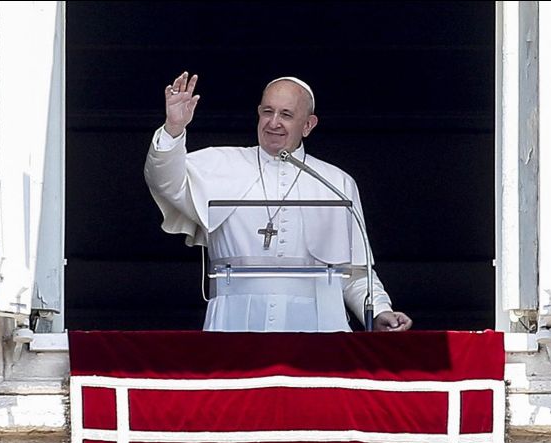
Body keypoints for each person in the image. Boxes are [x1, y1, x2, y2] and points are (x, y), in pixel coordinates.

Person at [144, 71, 412, 332]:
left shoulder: (337, 183)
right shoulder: (220, 163)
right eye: (267, 112)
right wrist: (174, 128)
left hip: (317, 327)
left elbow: (354, 273)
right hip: (233, 323)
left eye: (286, 115)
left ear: (308, 125)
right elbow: (164, 181)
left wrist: (380, 310)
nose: (273, 123)